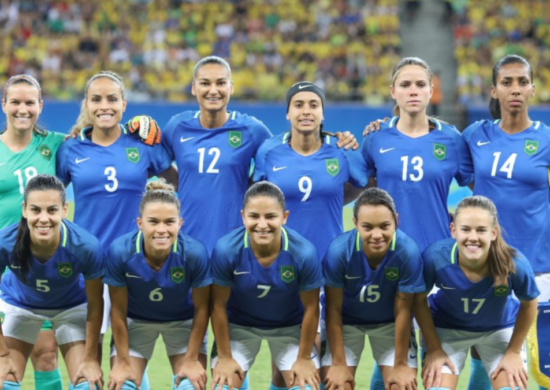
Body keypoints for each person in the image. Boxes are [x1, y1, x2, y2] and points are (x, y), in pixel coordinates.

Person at [56, 70, 175, 390]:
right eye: (96, 99)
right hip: (85, 267)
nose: (104, 105)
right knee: (87, 364)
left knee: (128, 361)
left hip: (133, 265)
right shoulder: (70, 149)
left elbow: (177, 182)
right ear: (87, 104)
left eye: (112, 99)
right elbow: (50, 198)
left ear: (124, 104)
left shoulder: (143, 144)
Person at [461, 54, 550, 390]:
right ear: (494, 91)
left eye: (522, 82)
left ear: (533, 90)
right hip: (486, 266)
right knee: (483, 358)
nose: (516, 89)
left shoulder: (547, 139)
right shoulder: (474, 135)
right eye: (507, 82)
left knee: (543, 369)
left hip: (539, 269)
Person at [415, 195, 539, 390]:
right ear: (453, 230)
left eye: (481, 230)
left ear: (493, 232)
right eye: (465, 229)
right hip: (447, 329)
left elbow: (530, 304)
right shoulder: (435, 257)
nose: (473, 237)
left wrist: (513, 351)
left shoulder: (514, 263)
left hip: (499, 329)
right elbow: (418, 299)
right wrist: (434, 348)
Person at [210, 181, 323, 390]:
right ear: (243, 216)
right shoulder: (226, 250)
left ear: (285, 217)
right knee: (223, 386)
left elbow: (311, 308)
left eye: (270, 216)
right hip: (239, 327)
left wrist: (305, 357)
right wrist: (224, 356)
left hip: (289, 327)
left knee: (306, 386)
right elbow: (218, 306)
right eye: (254, 216)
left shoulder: (304, 253)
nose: (262, 225)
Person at [104, 180, 211, 390]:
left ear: (179, 223)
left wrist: (191, 360)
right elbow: (117, 310)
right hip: (136, 321)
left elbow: (202, 309)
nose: (161, 230)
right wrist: (123, 363)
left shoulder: (194, 253)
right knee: (122, 385)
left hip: (184, 322)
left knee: (191, 385)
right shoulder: (120, 252)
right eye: (153, 221)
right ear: (139, 223)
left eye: (169, 222)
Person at [0, 174, 104, 390]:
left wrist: (91, 358)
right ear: (25, 209)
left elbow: (95, 305)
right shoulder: (5, 242)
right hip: (21, 305)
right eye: (36, 210)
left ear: (64, 210)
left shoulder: (86, 246)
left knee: (88, 383)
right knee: (3, 380)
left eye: (52, 210)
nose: (43, 218)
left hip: (71, 306)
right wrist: (2, 355)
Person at [0, 75, 67, 390]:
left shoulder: (55, 144)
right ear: (4, 105)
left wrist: (136, 125)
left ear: (41, 106)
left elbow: (96, 137)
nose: (22, 109)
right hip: (3, 266)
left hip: (39, 265)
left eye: (29, 102)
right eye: (15, 101)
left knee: (45, 352)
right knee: (8, 359)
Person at [322, 188, 424, 390]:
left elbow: (403, 309)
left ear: (396, 220)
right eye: (367, 227)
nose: (377, 235)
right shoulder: (339, 251)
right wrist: (339, 364)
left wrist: (401, 364)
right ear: (355, 224)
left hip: (390, 323)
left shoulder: (408, 252)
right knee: (337, 384)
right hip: (345, 323)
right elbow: (332, 308)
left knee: (401, 385)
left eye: (385, 226)